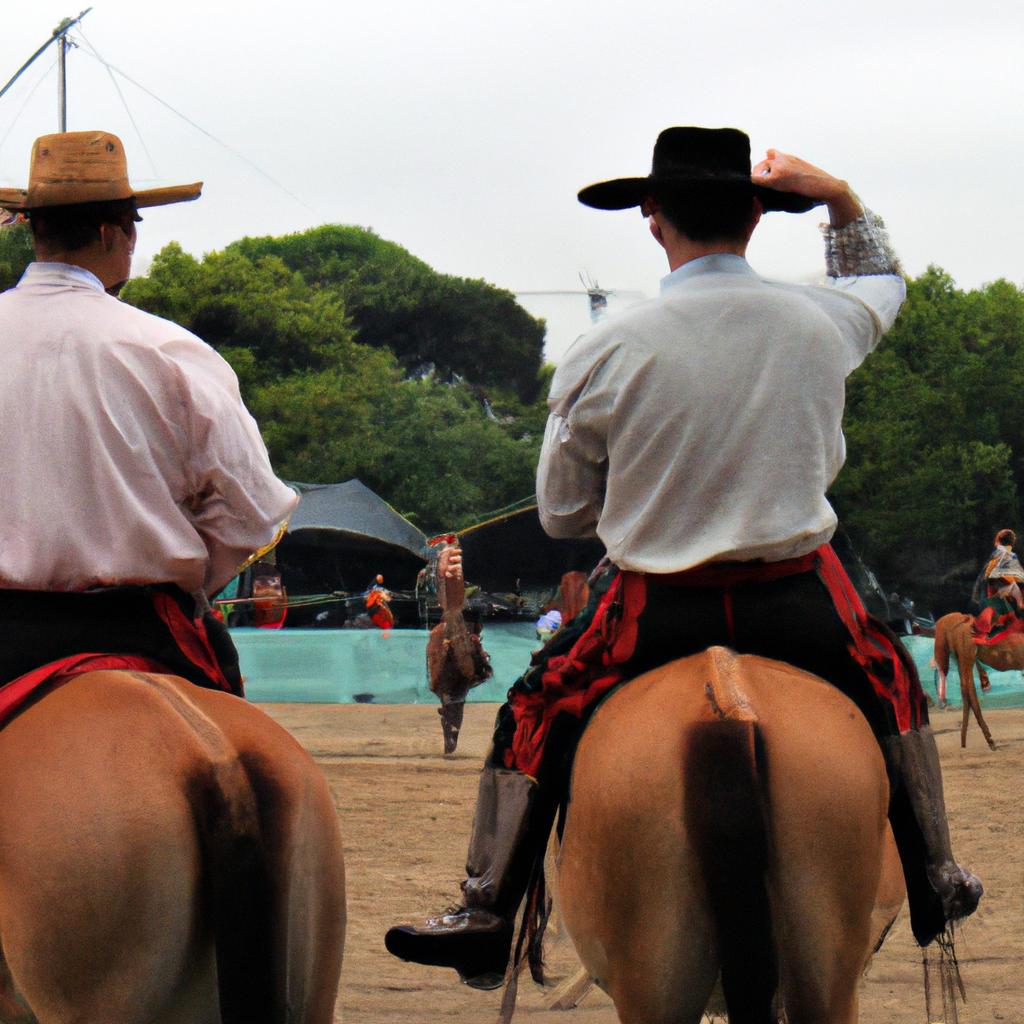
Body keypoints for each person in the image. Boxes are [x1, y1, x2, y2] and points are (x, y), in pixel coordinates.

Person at [385, 126, 981, 988]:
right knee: (891, 684)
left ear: (653, 218)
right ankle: (937, 876)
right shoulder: (826, 320)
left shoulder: (602, 349)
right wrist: (837, 193)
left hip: (655, 606)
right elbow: (878, 277)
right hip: (800, 596)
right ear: (755, 216)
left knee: (536, 708)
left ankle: (485, 907)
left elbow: (561, 514)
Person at [0, 130, 297, 701]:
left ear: (35, 229)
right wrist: (188, 578)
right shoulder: (169, 350)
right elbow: (252, 511)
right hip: (138, 629)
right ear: (115, 232)